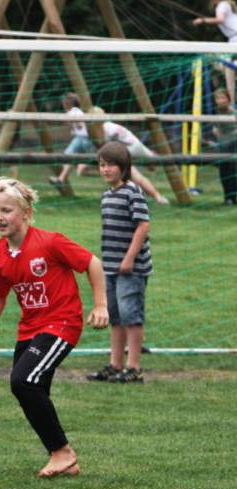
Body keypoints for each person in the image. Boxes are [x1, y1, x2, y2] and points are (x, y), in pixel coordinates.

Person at [0, 177, 108, 477]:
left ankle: (62, 452)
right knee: (32, 389)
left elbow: (92, 263)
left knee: (22, 381)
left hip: (62, 323)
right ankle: (65, 461)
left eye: (6, 210)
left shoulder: (50, 242)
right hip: (30, 329)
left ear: (26, 212)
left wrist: (101, 305)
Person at [86, 142, 152, 385]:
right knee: (115, 316)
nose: (105, 169)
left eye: (111, 165)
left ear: (124, 167)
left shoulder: (133, 192)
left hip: (130, 268)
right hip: (110, 268)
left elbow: (143, 225)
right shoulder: (106, 195)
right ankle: (115, 364)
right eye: (102, 165)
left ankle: (134, 367)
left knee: (131, 315)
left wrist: (129, 258)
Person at [89, 107, 170, 206]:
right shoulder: (106, 127)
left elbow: (114, 148)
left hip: (129, 148)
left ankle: (158, 197)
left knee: (134, 175)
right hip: (135, 145)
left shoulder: (106, 128)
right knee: (147, 167)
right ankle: (154, 195)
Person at [193, 1, 237, 105]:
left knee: (228, 67)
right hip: (233, 39)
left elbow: (219, 19)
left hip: (235, 39)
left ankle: (232, 101)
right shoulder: (229, 6)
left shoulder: (222, 5)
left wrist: (202, 20)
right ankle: (232, 101)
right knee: (228, 67)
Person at [49, 92, 94, 187]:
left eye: (64, 104)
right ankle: (61, 179)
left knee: (67, 156)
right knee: (74, 158)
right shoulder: (78, 111)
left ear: (67, 104)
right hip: (86, 140)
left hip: (81, 139)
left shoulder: (73, 111)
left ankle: (83, 168)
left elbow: (72, 120)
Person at [213, 88, 237, 204]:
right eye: (218, 98)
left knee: (232, 170)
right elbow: (215, 128)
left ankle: (231, 198)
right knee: (223, 172)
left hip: (233, 144)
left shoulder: (233, 112)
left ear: (228, 99)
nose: (220, 100)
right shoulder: (216, 113)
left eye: (223, 97)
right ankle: (227, 197)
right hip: (221, 145)